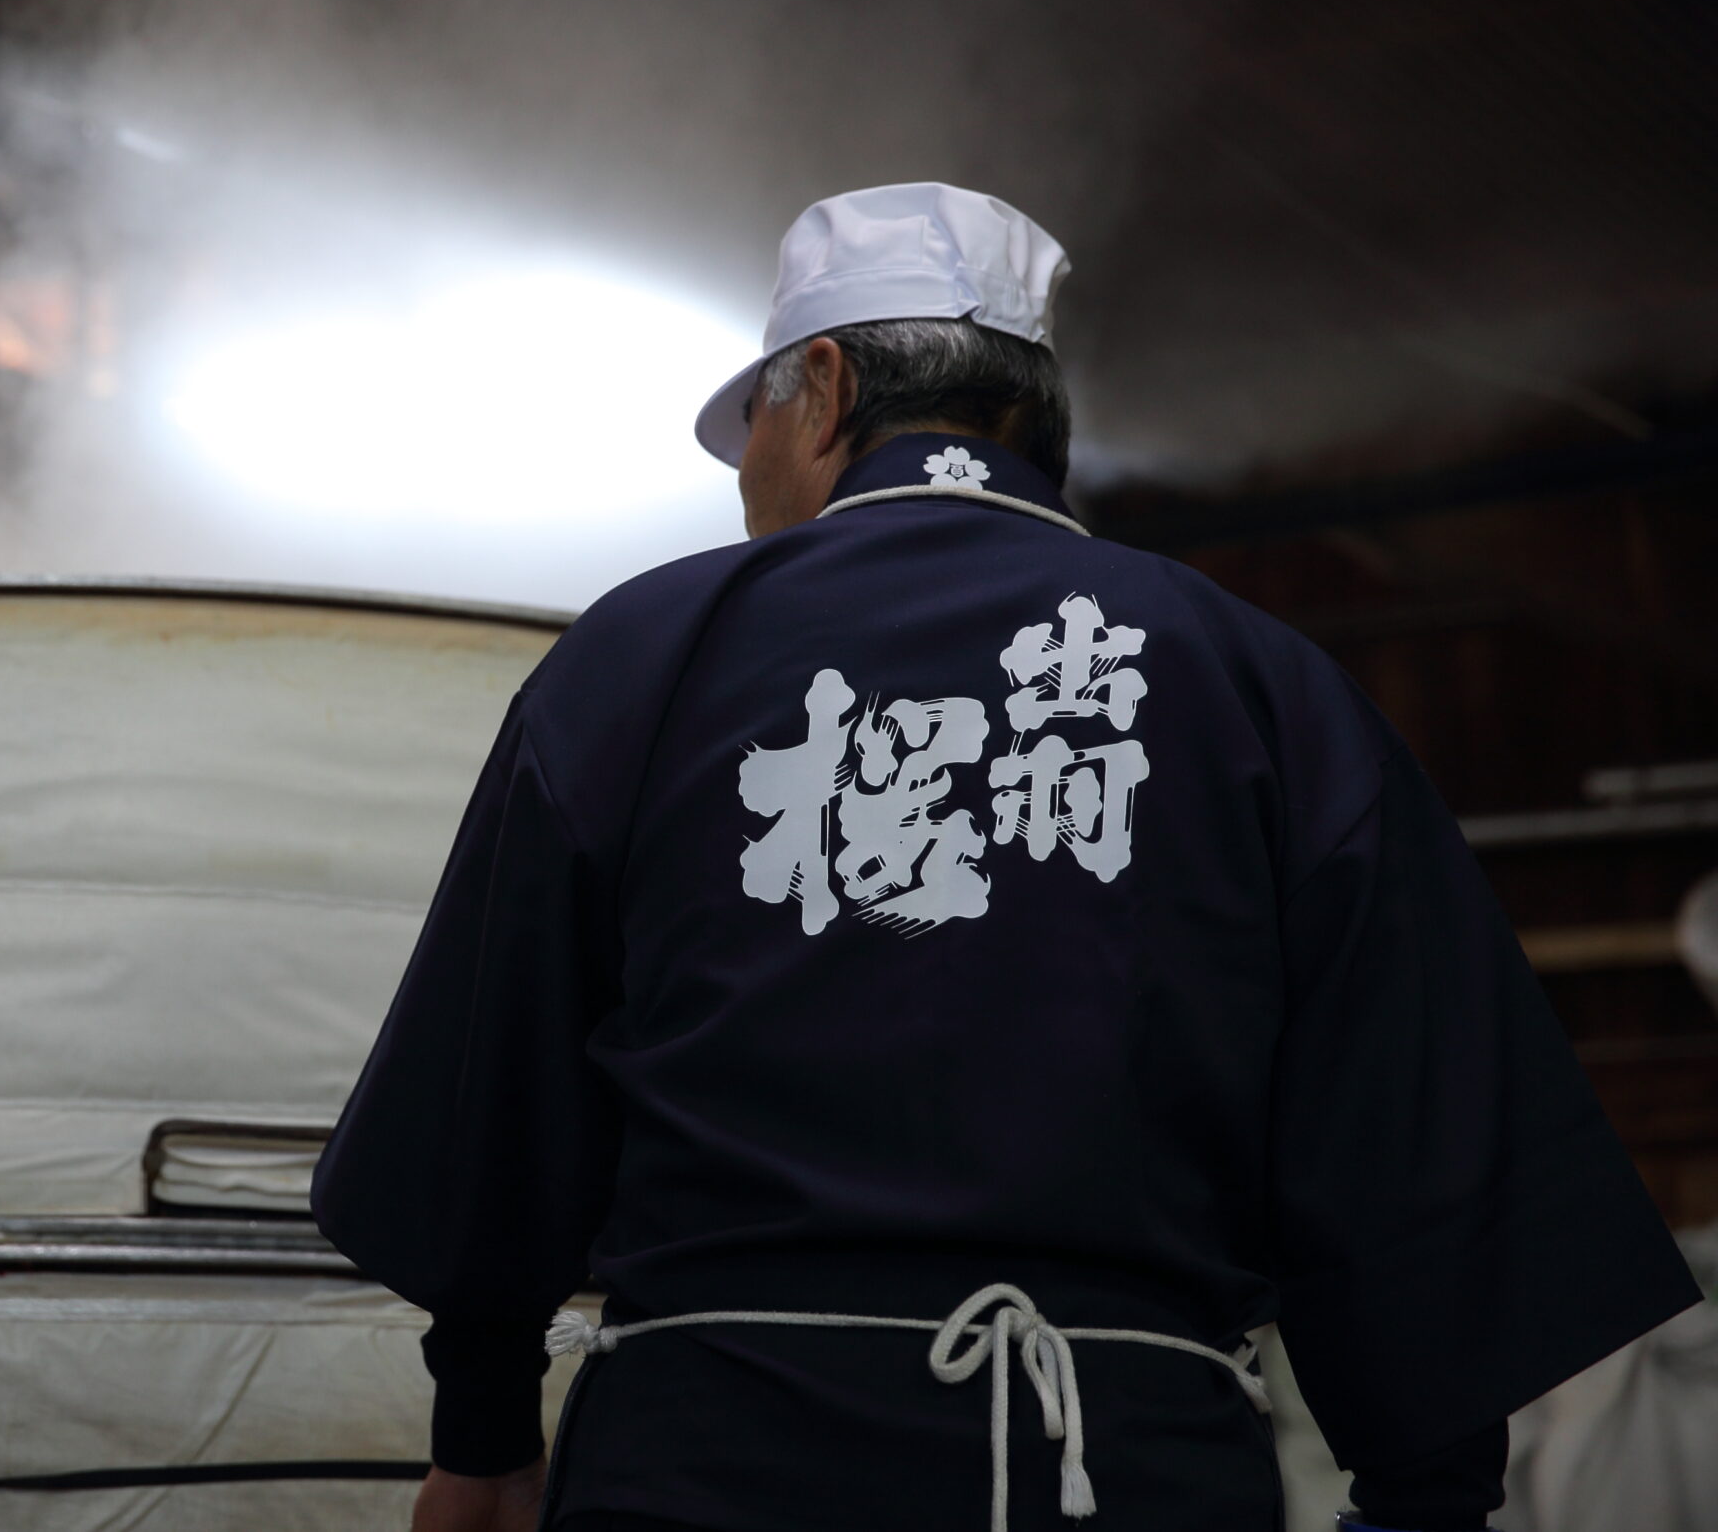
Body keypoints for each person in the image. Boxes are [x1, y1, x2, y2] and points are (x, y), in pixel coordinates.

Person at [310, 183, 1699, 1532]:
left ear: (831, 388)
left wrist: (482, 1434)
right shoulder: (1265, 682)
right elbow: (1411, 1129)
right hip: (1129, 1468)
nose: (744, 474)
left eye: (754, 423)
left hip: (711, 1460)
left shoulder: (646, 652)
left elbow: (496, 1091)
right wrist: (1421, 1501)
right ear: (1038, 423)